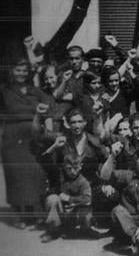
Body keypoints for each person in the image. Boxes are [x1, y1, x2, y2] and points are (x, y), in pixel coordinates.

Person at [0, 58, 51, 228]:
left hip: (33, 137)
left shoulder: (33, 90)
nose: (21, 73)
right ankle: (18, 215)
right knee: (15, 176)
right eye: (18, 70)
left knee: (34, 173)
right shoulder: (4, 90)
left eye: (24, 71)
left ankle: (33, 212)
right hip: (12, 139)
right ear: (11, 71)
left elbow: (48, 102)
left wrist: (44, 116)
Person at [41, 154, 97, 242]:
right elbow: (45, 162)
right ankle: (53, 231)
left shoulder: (83, 182)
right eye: (69, 168)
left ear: (80, 166)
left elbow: (87, 199)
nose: (72, 171)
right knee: (52, 199)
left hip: (75, 215)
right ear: (64, 167)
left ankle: (86, 229)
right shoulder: (59, 177)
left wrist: (69, 198)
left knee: (87, 205)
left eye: (75, 168)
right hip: (62, 213)